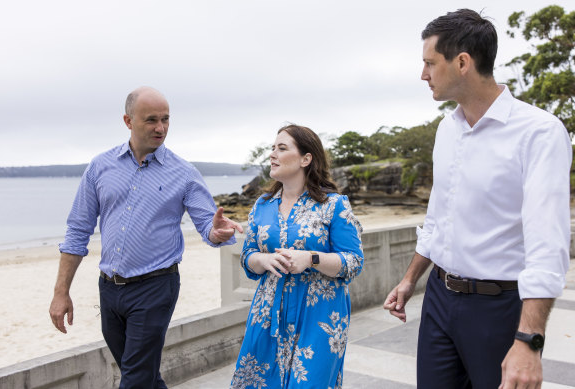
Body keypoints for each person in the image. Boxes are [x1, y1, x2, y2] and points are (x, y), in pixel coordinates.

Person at [383, 9, 572, 389]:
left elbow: (547, 245)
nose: (423, 75)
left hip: (498, 308)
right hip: (438, 298)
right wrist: (410, 280)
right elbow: (439, 217)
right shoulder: (446, 129)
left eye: (430, 63)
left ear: (463, 62)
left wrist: (529, 341)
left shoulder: (539, 132)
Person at [49, 86, 243, 389]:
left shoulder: (184, 173)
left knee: (135, 380)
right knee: (143, 377)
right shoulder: (100, 167)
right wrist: (61, 292)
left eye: (166, 119)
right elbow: (77, 231)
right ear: (128, 121)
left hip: (156, 287)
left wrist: (217, 234)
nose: (160, 128)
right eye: (151, 120)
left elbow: (208, 226)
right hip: (109, 290)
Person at [230, 124, 364, 388]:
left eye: (282, 148)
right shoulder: (262, 206)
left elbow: (354, 262)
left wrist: (311, 258)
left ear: (306, 158)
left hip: (320, 317)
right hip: (267, 313)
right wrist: (263, 260)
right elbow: (248, 256)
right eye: (272, 148)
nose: (272, 154)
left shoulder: (334, 205)